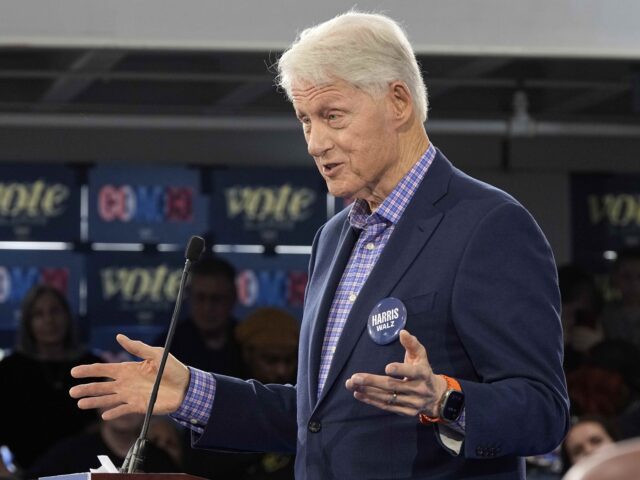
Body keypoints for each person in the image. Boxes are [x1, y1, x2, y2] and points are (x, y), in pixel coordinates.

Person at [70, 11, 569, 479]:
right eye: (306, 120)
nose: (314, 142)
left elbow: (543, 412)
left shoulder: (489, 226)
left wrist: (445, 400)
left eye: (332, 115)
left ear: (398, 102)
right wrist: (193, 394)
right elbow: (320, 420)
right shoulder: (333, 239)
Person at [184, 307, 299, 480]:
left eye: (289, 360)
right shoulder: (219, 401)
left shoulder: (304, 402)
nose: (281, 370)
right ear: (248, 353)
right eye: (270, 360)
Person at [0, 285, 101, 473]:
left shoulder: (93, 365)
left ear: (67, 316)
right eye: (38, 314)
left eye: (55, 311)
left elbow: (113, 423)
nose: (49, 320)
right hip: (27, 472)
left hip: (86, 470)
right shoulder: (9, 369)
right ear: (27, 323)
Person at [155, 257, 244, 376]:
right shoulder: (168, 346)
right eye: (200, 298)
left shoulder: (250, 344)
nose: (207, 308)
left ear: (232, 298)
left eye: (216, 299)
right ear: (189, 296)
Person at [27, 413, 178, 477]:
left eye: (130, 399)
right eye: (114, 395)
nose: (123, 407)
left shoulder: (160, 460)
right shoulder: (68, 452)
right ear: (98, 402)